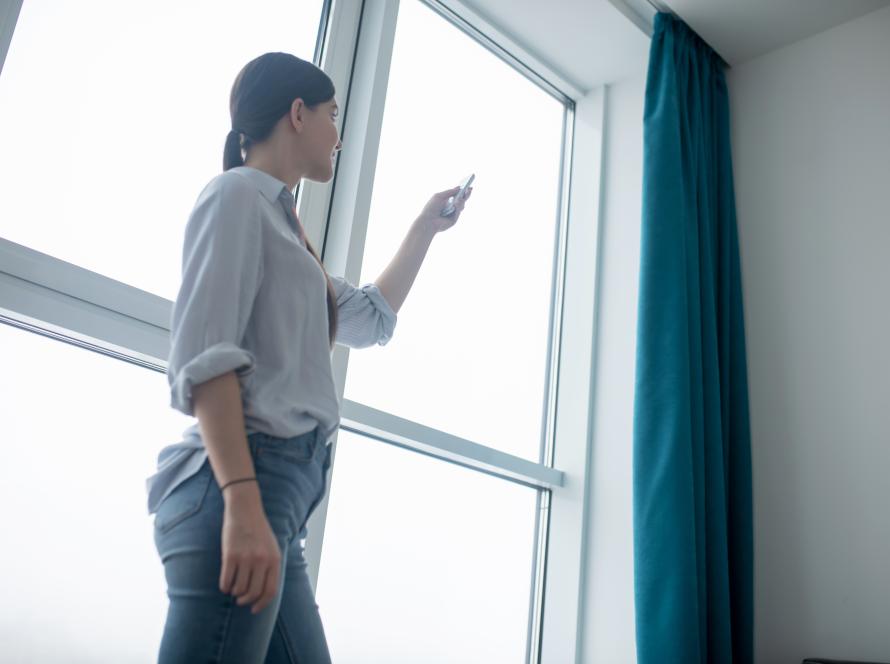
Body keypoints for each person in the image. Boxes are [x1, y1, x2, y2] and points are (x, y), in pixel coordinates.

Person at [145, 51, 472, 663]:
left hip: (275, 507)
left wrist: (426, 228)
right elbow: (205, 359)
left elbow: (369, 320)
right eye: (332, 114)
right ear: (298, 114)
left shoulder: (289, 231)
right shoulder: (235, 196)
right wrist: (242, 503)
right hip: (240, 491)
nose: (339, 135)